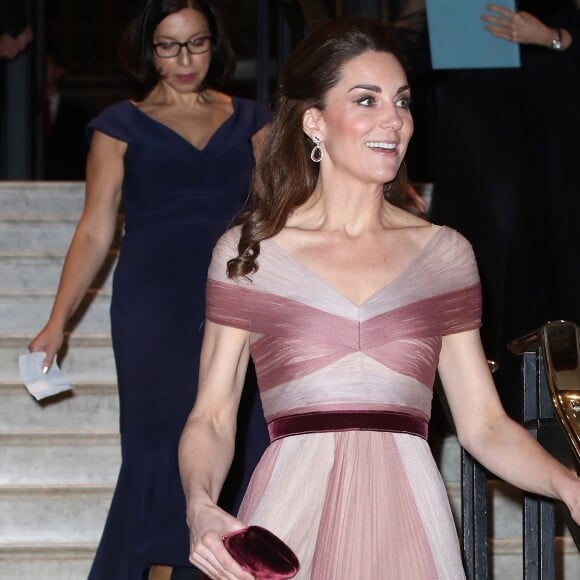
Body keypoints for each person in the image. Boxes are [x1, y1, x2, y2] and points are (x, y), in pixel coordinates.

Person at [177, 16, 580, 579]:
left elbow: (484, 425)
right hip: (291, 516)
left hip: (410, 519)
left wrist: (569, 484)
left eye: (403, 101)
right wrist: (200, 507)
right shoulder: (250, 252)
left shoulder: (444, 254)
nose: (394, 120)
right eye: (366, 100)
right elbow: (213, 417)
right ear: (315, 121)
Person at [28, 0, 270, 578]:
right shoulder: (118, 125)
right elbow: (94, 228)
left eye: (197, 43)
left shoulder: (255, 120)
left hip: (237, 292)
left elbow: (287, 209)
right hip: (153, 302)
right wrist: (57, 321)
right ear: (147, 49)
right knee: (160, 442)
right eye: (168, 45)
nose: (184, 59)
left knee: (241, 435)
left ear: (216, 44)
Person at [429, 0, 580, 421]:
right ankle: (479, 404)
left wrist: (549, 37)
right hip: (476, 97)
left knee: (544, 247)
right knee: (485, 242)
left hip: (550, 103)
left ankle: (547, 408)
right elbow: (424, 35)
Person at [43, 47, 90, 180]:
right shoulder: (22, 116)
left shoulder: (77, 116)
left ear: (59, 71)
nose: (40, 69)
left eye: (46, 64)